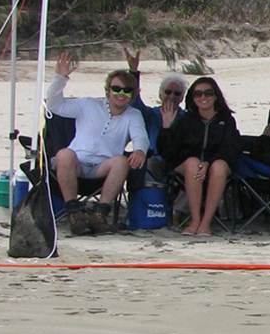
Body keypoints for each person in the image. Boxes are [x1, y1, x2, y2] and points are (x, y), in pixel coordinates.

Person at [46, 52, 149, 235]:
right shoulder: (88, 104)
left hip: (103, 168)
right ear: (108, 90)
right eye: (116, 89)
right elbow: (54, 106)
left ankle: (100, 214)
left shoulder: (133, 115)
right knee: (64, 154)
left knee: (121, 161)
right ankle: (73, 213)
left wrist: (140, 150)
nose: (121, 94)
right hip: (75, 164)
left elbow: (140, 136)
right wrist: (60, 78)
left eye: (127, 90)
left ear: (132, 95)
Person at [159, 77, 241, 236]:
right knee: (192, 163)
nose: (203, 97)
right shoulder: (186, 120)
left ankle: (205, 223)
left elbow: (231, 148)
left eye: (208, 93)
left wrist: (208, 163)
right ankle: (195, 220)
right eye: (198, 94)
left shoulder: (226, 120)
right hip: (189, 165)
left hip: (217, 165)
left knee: (218, 167)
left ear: (216, 95)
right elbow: (168, 151)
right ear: (192, 97)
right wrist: (166, 127)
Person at [122, 47, 185, 161]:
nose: (172, 96)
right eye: (168, 92)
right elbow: (134, 100)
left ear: (182, 98)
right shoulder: (150, 114)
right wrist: (133, 72)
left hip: (177, 164)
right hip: (152, 162)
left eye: (177, 93)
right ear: (160, 94)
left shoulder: (186, 117)